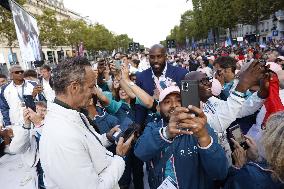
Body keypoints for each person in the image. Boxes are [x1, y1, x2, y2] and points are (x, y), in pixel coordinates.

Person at [39, 57, 134, 189]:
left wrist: (107, 137)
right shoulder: (62, 135)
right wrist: (119, 157)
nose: (94, 92)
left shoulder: (72, 114)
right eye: (91, 86)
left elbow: (85, 146)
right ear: (74, 87)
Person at [134, 86, 228, 189]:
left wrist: (204, 137)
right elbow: (140, 153)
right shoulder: (153, 127)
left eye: (179, 100)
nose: (174, 105)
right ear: (159, 108)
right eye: (167, 102)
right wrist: (166, 133)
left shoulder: (200, 128)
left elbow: (219, 173)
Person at [223, 112, 284, 189]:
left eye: (266, 129)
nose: (262, 132)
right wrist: (256, 158)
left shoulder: (250, 175)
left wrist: (239, 167)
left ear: (274, 143)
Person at [135, 44, 188, 126]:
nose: (156, 60)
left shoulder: (182, 74)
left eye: (159, 56)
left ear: (165, 57)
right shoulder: (141, 77)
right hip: (151, 127)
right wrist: (138, 125)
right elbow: (140, 107)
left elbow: (187, 101)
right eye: (152, 57)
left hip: (178, 125)